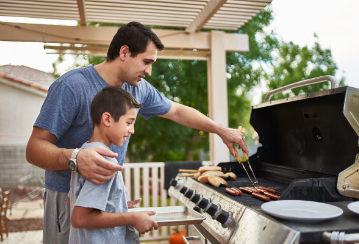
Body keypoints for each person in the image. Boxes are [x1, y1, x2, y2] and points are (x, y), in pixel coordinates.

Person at [26, 21, 248, 244]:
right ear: (124, 52)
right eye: (146, 62)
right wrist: (75, 158)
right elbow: (34, 149)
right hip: (67, 200)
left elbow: (178, 112)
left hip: (104, 204)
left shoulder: (137, 88)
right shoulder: (71, 87)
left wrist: (221, 130)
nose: (149, 71)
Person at [68, 86, 157, 243]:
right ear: (107, 119)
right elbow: (80, 218)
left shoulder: (86, 153)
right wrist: (131, 217)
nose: (132, 130)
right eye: (129, 122)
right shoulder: (104, 160)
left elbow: (73, 201)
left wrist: (118, 205)